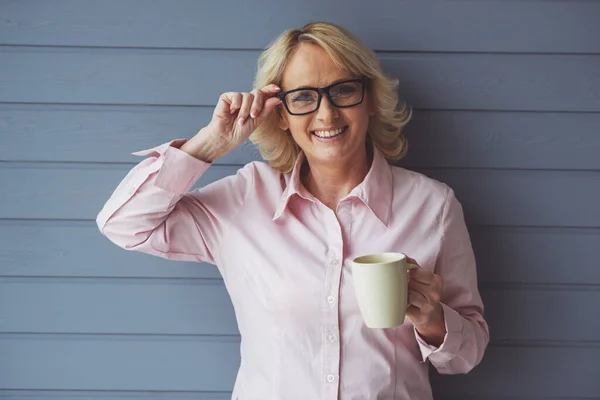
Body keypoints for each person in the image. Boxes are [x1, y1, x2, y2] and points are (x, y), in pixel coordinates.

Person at [97, 21, 489, 400]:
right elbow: (124, 225)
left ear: (369, 99)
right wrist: (210, 143)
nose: (326, 114)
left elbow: (468, 354)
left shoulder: (433, 206)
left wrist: (431, 319)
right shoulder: (245, 198)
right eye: (303, 97)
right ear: (280, 114)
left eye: (343, 90)